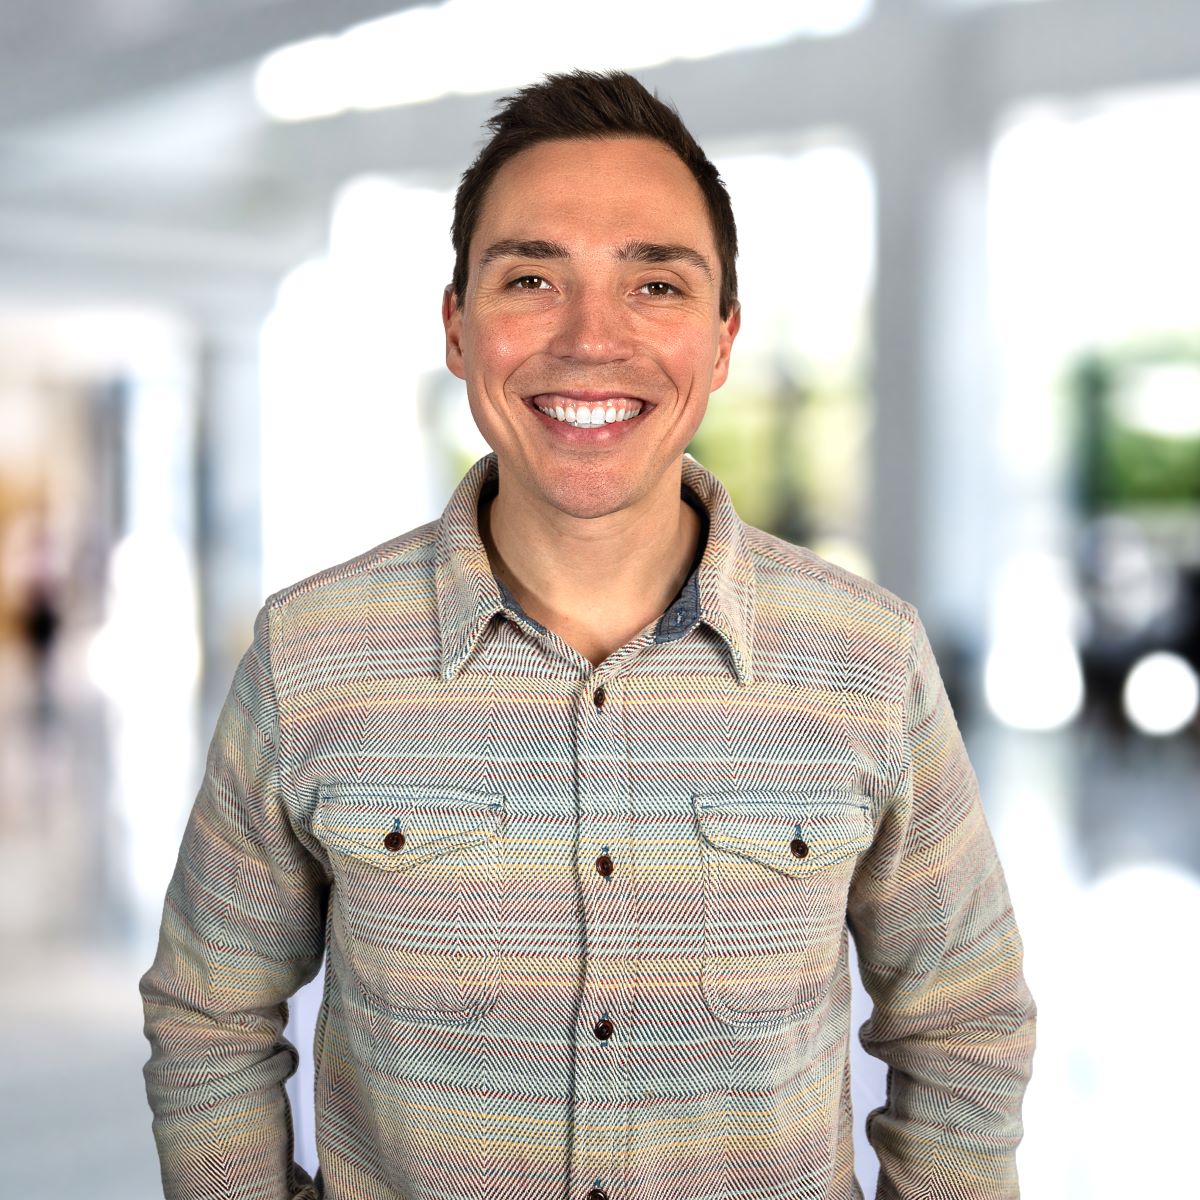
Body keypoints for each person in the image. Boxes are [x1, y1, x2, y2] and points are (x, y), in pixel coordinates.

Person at [140, 70, 1035, 1200]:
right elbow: (209, 1015)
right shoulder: (310, 657)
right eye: (531, 278)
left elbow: (965, 1027)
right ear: (459, 328)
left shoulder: (868, 662)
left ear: (721, 341)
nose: (590, 340)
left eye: (656, 283)